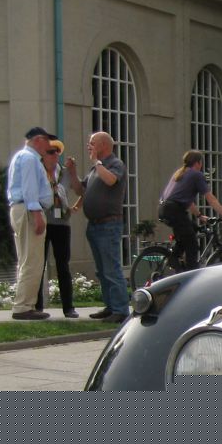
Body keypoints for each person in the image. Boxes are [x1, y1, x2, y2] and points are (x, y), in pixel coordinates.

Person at [67, 131, 130, 323]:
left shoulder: (115, 164)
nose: (89, 146)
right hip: (94, 225)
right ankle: (110, 307)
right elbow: (81, 190)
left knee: (111, 269)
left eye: (92, 143)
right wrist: (72, 172)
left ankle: (120, 310)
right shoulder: (96, 169)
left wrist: (96, 162)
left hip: (109, 224)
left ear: (104, 145)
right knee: (101, 271)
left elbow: (111, 180)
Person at [6, 126, 55, 320]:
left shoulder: (24, 157)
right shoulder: (29, 158)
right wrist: (36, 213)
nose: (49, 145)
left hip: (23, 209)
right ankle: (23, 307)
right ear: (38, 140)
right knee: (32, 260)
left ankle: (25, 304)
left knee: (27, 259)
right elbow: (30, 188)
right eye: (47, 141)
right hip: (28, 210)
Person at [158, 150, 222, 272]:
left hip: (165, 209)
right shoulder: (196, 175)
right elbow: (210, 198)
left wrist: (199, 216)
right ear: (198, 163)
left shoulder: (180, 173)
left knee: (191, 231)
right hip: (175, 210)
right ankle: (191, 274)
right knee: (192, 244)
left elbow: (188, 202)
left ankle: (174, 261)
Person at [35, 138, 78, 318]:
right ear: (43, 155)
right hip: (44, 221)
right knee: (39, 265)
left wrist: (73, 173)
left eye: (56, 152)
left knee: (63, 265)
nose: (54, 155)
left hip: (61, 224)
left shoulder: (64, 173)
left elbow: (80, 190)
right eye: (50, 152)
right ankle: (37, 306)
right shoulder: (38, 172)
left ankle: (68, 307)